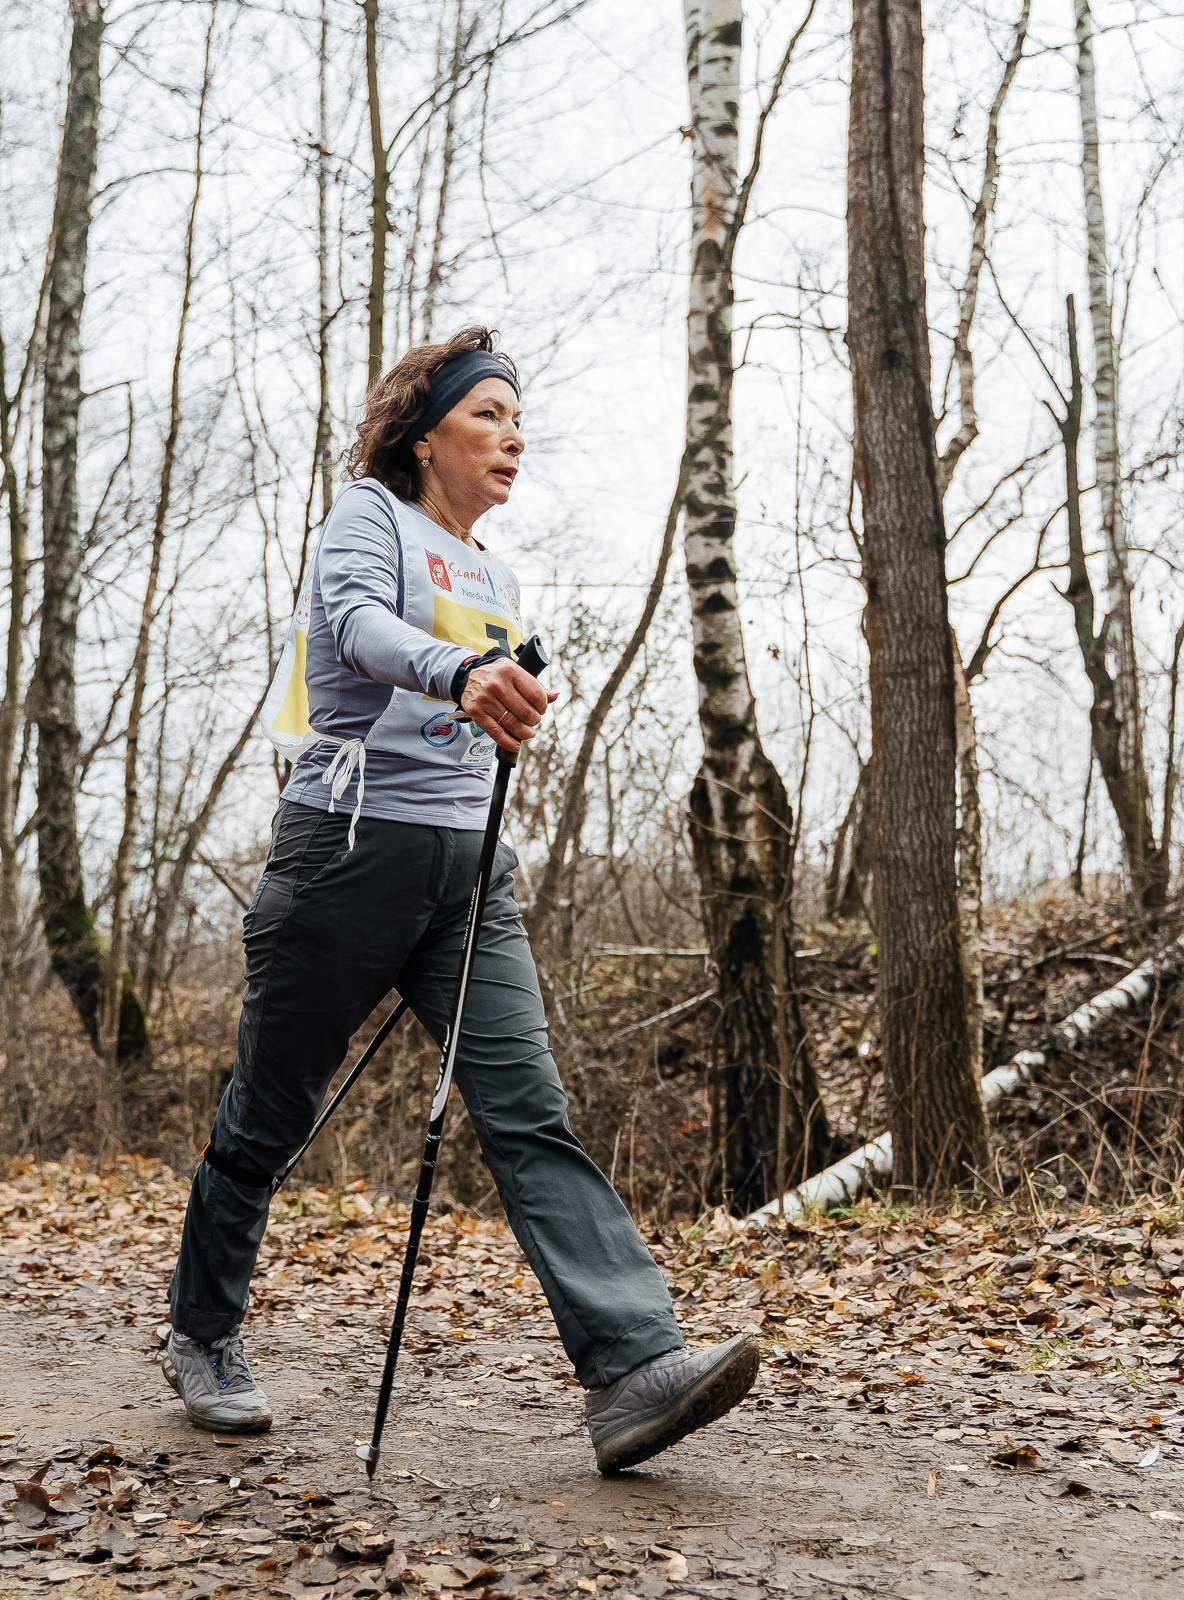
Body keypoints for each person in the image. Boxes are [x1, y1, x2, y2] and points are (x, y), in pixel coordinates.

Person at [160, 328, 757, 1476]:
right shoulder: (370, 518)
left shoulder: (496, 574)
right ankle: (203, 1331)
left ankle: (633, 1370)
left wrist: (505, 707)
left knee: (529, 1108)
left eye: (518, 419)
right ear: (424, 434)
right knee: (270, 1115)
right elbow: (356, 630)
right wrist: (461, 673)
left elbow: (480, 707)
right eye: (488, 413)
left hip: (468, 874)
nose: (512, 436)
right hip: (345, 852)